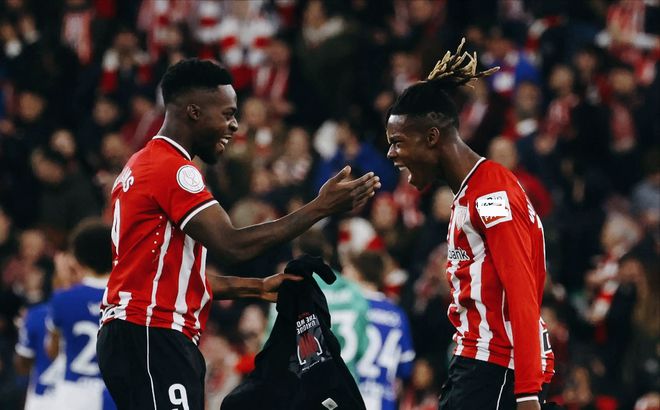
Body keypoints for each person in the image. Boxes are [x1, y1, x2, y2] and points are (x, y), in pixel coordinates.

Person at [96, 58, 381, 410]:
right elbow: (231, 245)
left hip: (138, 331)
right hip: (152, 333)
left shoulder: (141, 164)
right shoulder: (172, 169)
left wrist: (256, 287)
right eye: (227, 114)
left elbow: (174, 277)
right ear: (194, 112)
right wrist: (319, 208)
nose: (234, 126)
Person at [384, 39, 554, 409]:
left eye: (397, 142)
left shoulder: (491, 195)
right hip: (477, 366)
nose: (391, 153)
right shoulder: (470, 192)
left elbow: (521, 293)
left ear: (432, 137)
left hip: (495, 367)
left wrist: (527, 392)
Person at [45, 219, 116, 410]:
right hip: (115, 392)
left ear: (77, 258)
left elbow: (52, 350)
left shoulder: (63, 298)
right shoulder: (127, 298)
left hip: (74, 394)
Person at [343, 251, 415, 410]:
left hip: (347, 399)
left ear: (358, 274)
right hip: (383, 403)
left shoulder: (348, 307)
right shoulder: (397, 314)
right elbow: (406, 369)